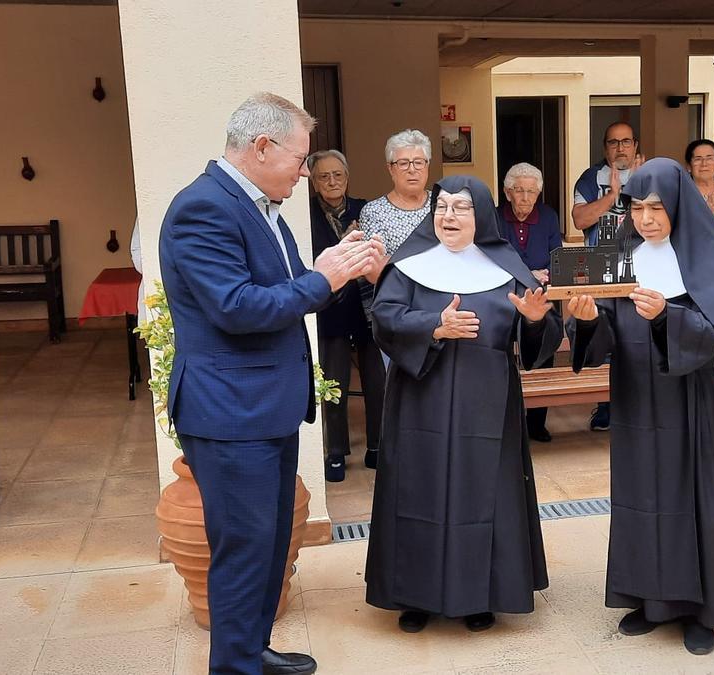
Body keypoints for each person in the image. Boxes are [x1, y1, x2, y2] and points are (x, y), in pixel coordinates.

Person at [159, 92, 383, 675]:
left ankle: (250, 649)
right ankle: (234, 667)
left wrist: (333, 264)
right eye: (300, 158)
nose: (305, 171)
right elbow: (236, 307)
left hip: (262, 408)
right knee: (243, 552)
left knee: (265, 546)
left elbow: (273, 289)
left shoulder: (255, 205)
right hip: (230, 414)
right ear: (261, 147)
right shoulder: (203, 208)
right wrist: (325, 278)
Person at [567, 158, 714, 656]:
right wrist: (586, 320)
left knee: (693, 494)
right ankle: (648, 599)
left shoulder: (708, 255)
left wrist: (664, 318)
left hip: (693, 397)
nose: (645, 218)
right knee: (642, 492)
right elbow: (600, 327)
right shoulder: (617, 254)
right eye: (635, 207)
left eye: (656, 208)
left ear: (677, 206)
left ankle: (701, 611)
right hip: (636, 395)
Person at [365, 175, 562, 634]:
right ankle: (415, 596)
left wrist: (535, 322)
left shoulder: (509, 269)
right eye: (442, 207)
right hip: (419, 402)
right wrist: (434, 326)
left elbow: (538, 342)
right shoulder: (409, 265)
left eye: (461, 208)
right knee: (418, 491)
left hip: (488, 404)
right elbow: (385, 319)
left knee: (484, 495)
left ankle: (481, 595)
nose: (448, 216)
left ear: (483, 216)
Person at [307, 149, 386, 482]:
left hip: (368, 309)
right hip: (331, 310)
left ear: (347, 177)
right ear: (313, 182)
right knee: (333, 384)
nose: (332, 181)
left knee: (377, 382)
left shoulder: (364, 210)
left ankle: (378, 448)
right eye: (324, 176)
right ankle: (336, 452)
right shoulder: (306, 214)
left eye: (338, 174)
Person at [572, 121, 643, 429]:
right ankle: (606, 407)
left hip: (641, 269)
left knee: (637, 338)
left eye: (625, 142)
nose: (620, 148)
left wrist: (637, 189)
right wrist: (612, 196)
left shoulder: (648, 174)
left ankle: (638, 405)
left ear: (635, 145)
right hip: (599, 272)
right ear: (605, 147)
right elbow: (579, 219)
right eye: (613, 142)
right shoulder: (590, 178)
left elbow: (658, 221)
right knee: (604, 339)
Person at [499, 162, 563, 442]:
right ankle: (507, 420)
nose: (525, 197)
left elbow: (556, 255)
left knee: (543, 351)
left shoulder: (548, 216)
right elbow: (496, 255)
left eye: (531, 192)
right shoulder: (496, 217)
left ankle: (537, 422)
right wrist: (528, 273)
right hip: (506, 296)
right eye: (519, 190)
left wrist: (538, 275)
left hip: (542, 295)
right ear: (507, 192)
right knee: (502, 356)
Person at [358, 129, 434, 317]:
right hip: (397, 310)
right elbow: (374, 271)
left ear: (427, 166)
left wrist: (395, 263)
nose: (412, 169)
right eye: (403, 163)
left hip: (441, 306)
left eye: (418, 162)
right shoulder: (374, 212)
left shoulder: (442, 205)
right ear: (391, 169)